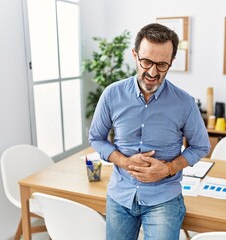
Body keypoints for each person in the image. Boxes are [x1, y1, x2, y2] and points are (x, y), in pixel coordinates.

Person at [89, 23, 210, 240]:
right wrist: (125, 162)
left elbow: (201, 146)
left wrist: (168, 168)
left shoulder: (184, 103)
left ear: (171, 62)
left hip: (163, 199)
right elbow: (96, 138)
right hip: (121, 195)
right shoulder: (111, 95)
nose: (153, 72)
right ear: (135, 55)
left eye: (162, 65)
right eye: (146, 62)